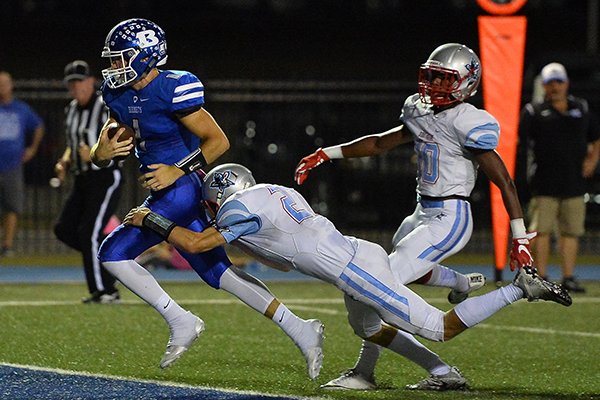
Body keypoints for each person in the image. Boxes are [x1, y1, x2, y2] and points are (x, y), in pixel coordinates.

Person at [124, 163, 572, 390]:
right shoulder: (272, 192)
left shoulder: (238, 208)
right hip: (356, 253)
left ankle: (519, 287)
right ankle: (440, 372)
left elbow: (199, 245)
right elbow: (283, 259)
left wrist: (153, 221)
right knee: (367, 327)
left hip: (353, 269)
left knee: (438, 327)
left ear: (221, 194)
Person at [294, 43, 541, 390]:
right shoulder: (418, 109)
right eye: (432, 77)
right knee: (373, 287)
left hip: (450, 218)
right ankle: (457, 284)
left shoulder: (470, 121)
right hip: (421, 212)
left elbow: (505, 182)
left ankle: (416, 371)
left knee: (369, 288)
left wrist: (520, 238)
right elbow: (380, 144)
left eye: (443, 79)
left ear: (467, 83)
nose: (434, 85)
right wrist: (326, 154)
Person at [89, 19, 323, 377]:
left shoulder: (173, 87)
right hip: (167, 189)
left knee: (112, 252)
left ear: (146, 57)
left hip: (182, 189)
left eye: (122, 59)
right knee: (219, 272)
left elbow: (218, 141)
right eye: (114, 60)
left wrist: (177, 170)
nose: (115, 67)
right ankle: (300, 328)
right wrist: (100, 154)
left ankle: (179, 318)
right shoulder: (117, 93)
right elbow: (112, 142)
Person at [519, 62, 600, 293]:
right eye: (550, 83)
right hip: (544, 182)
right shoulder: (533, 111)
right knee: (541, 232)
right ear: (543, 86)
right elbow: (520, 146)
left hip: (574, 181)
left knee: (571, 232)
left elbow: (596, 138)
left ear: (566, 83)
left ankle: (568, 277)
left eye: (559, 82)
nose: (555, 87)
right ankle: (541, 277)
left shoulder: (581, 108)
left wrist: (592, 161)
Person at [53, 60, 123, 304]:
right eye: (71, 83)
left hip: (105, 176)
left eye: (79, 82)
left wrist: (97, 153)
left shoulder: (107, 107)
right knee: (64, 229)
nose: (75, 88)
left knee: (89, 232)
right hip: (82, 179)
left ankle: (105, 291)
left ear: (91, 81)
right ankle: (109, 267)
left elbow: (123, 142)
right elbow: (73, 145)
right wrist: (65, 161)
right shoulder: (71, 109)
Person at [0, 71, 45, 256]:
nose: (2, 87)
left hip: (12, 165)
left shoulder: (21, 109)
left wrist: (32, 149)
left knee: (12, 206)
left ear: (11, 85)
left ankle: (7, 246)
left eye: (4, 83)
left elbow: (38, 126)